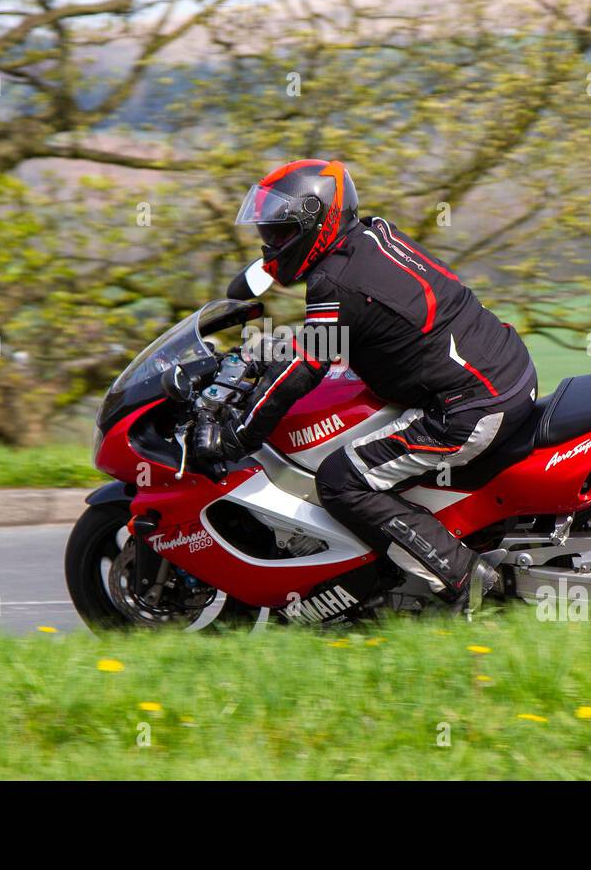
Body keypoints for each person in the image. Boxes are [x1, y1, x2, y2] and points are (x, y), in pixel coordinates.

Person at [210, 158, 538, 611]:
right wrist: (254, 324)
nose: (271, 243)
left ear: (315, 224)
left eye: (280, 232)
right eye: (267, 232)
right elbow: (326, 324)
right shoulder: (369, 235)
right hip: (500, 370)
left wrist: (239, 434)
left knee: (342, 480)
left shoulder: (334, 282)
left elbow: (306, 366)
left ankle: (466, 578)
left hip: (471, 408)